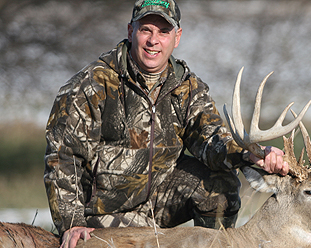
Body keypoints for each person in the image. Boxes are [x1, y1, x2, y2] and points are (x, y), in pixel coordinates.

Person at [43, 0, 289, 247]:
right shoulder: (92, 84)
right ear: (131, 31)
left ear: (177, 37)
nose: (153, 40)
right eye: (146, 30)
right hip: (100, 217)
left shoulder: (187, 87)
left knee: (221, 184)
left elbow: (212, 138)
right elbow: (63, 157)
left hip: (157, 208)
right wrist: (72, 222)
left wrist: (250, 155)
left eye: (163, 31)